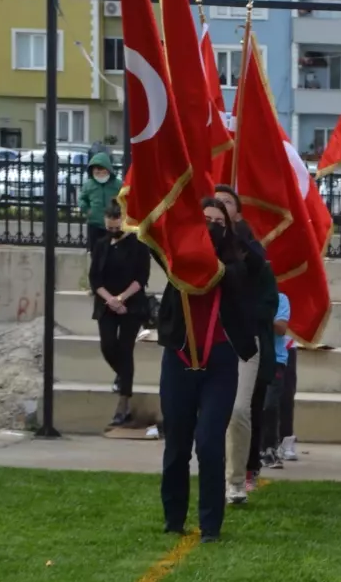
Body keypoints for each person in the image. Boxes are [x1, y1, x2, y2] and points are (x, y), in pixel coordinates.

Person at [156, 200, 263, 542]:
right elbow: (153, 239)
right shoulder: (176, 262)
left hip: (219, 362)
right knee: (177, 443)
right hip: (180, 359)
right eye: (205, 221)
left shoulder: (234, 266)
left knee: (209, 442)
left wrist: (230, 234)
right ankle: (173, 518)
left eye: (219, 222)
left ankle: (211, 526)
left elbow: (254, 265)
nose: (212, 227)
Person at [214, 183, 280, 506]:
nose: (221, 207)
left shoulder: (251, 255)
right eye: (215, 203)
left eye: (227, 202)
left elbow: (268, 300)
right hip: (207, 340)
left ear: (238, 212)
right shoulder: (202, 247)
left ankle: (237, 480)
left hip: (242, 342)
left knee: (240, 410)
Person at [89, 200, 150, 427]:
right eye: (109, 228)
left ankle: (123, 402)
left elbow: (141, 278)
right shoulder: (102, 244)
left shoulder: (138, 244)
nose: (113, 232)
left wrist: (122, 299)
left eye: (117, 227)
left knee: (125, 349)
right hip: (107, 302)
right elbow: (95, 278)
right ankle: (122, 375)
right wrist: (111, 300)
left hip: (131, 304)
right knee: (107, 346)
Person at [260, 290, 292, 469]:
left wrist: (261, 314)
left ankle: (270, 448)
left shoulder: (280, 299)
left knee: (270, 405)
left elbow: (281, 328)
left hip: (275, 360)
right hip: (251, 358)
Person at [78, 150, 120, 255]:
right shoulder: (89, 185)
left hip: (112, 225)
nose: (100, 174)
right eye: (97, 171)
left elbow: (126, 199)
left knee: (113, 253)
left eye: (103, 171)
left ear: (108, 170)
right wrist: (87, 210)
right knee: (96, 253)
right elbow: (81, 199)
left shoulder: (118, 184)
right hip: (95, 224)